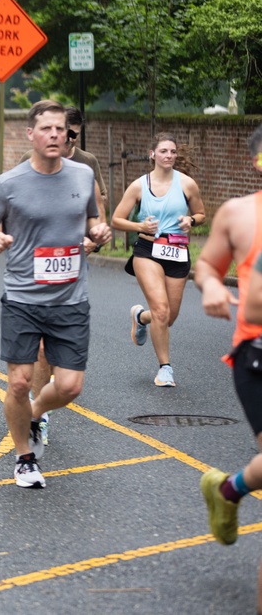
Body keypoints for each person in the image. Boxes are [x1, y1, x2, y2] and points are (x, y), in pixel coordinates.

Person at [0, 99, 110, 489]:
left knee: (69, 387)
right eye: (46, 128)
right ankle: (24, 458)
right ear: (30, 134)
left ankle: (34, 413)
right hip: (22, 298)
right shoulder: (9, 184)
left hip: (70, 299)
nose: (54, 135)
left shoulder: (83, 176)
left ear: (69, 135)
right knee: (18, 380)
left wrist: (98, 234)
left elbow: (94, 221)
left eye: (61, 129)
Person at [195, 124, 262, 610]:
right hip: (257, 353)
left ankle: (228, 489)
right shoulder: (238, 213)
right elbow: (207, 265)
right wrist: (214, 287)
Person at [111, 133, 206, 387]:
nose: (169, 156)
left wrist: (191, 220)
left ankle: (141, 317)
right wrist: (139, 225)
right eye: (163, 151)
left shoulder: (187, 184)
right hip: (148, 251)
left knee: (168, 317)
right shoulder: (139, 186)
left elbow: (201, 213)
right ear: (152, 154)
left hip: (177, 251)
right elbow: (116, 219)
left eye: (173, 152)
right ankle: (165, 368)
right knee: (162, 311)